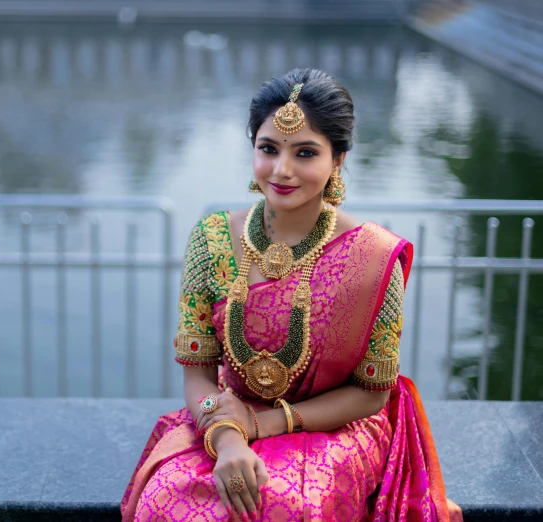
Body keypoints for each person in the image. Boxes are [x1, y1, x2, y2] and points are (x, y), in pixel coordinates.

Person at [121, 68, 463, 522]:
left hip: (335, 424)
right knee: (167, 496)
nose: (282, 170)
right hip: (225, 415)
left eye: (305, 153)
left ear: (338, 160)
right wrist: (226, 436)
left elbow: (371, 395)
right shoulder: (213, 238)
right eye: (268, 149)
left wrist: (263, 424)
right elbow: (198, 377)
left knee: (285, 502)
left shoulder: (373, 256)